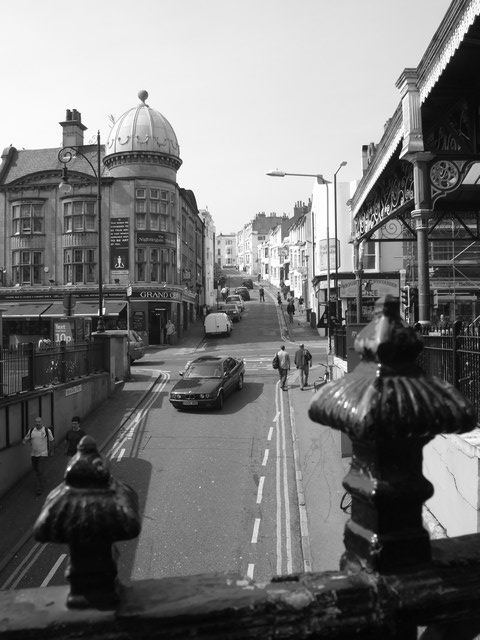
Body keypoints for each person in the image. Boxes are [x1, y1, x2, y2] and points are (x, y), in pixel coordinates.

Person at [23, 416, 54, 495]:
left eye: (39, 422)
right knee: (36, 470)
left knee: (39, 470)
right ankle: (42, 479)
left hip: (43, 454)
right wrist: (24, 441)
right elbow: (26, 438)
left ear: (42, 422)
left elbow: (51, 440)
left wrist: (51, 451)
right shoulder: (32, 431)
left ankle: (39, 488)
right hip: (33, 454)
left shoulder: (47, 431)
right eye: (36, 422)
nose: (37, 423)